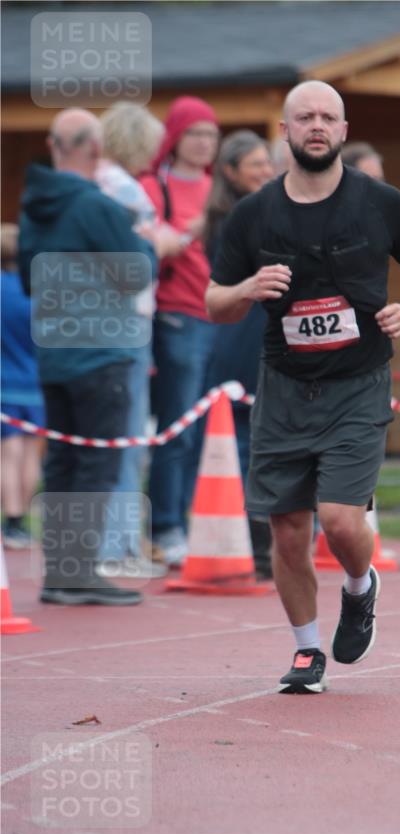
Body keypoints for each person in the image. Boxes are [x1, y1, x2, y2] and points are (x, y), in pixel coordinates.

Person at [206, 80, 400, 694]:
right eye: (303, 116)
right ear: (284, 130)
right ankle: (307, 651)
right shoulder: (253, 215)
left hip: (358, 381)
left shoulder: (381, 202)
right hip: (283, 385)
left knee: (337, 519)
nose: (316, 125)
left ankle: (361, 587)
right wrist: (246, 290)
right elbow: (213, 303)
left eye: (327, 117)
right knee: (286, 528)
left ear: (342, 130)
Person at [18, 108, 157, 605]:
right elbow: (138, 273)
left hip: (55, 350)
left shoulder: (35, 205)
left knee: (64, 461)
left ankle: (61, 572)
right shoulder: (96, 206)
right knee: (97, 461)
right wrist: (144, 245)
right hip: (101, 351)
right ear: (96, 150)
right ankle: (76, 576)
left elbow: (31, 280)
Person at [95, 101, 181, 580]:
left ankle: (104, 544)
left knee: (97, 439)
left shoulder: (91, 183)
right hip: (127, 321)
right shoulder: (127, 189)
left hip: (92, 323)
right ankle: (119, 546)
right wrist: (175, 239)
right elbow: (151, 245)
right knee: (127, 438)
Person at [141, 96, 220, 568]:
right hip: (177, 316)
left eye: (211, 135)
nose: (205, 143)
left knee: (209, 430)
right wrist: (193, 229)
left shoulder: (217, 187)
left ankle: (190, 523)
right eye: (196, 133)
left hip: (219, 318)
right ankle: (165, 526)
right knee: (177, 428)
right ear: (176, 137)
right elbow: (153, 249)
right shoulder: (154, 186)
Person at [201, 130, 275, 579]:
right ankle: (256, 546)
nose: (266, 172)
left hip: (252, 330)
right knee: (248, 440)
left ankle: (260, 543)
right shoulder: (237, 219)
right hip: (244, 334)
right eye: (255, 165)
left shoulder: (248, 212)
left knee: (256, 440)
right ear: (231, 172)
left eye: (268, 163)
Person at [1, 223, 44, 549]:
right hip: (36, 384)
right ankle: (23, 522)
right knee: (30, 453)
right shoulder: (37, 292)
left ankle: (11, 518)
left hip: (4, 384)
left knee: (8, 455)